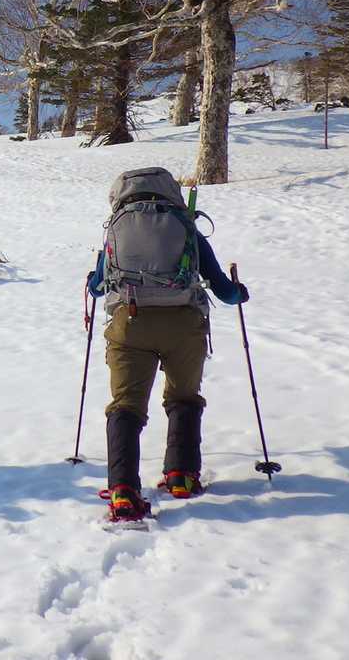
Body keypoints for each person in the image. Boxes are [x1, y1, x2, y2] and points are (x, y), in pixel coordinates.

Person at [86, 167, 248, 522]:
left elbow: (97, 288)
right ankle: (181, 475)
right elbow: (223, 290)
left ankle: (123, 490)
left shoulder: (117, 228)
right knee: (183, 397)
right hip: (183, 326)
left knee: (126, 404)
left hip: (130, 325)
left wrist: (93, 279)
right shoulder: (186, 227)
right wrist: (239, 293)